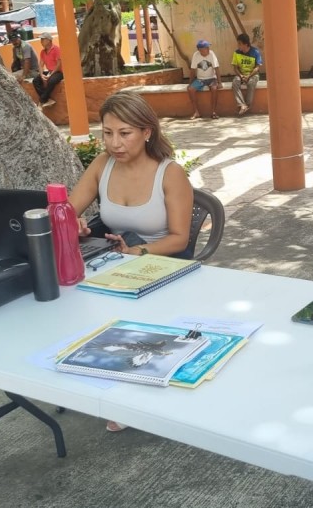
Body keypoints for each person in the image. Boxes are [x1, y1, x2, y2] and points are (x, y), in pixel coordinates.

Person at [69, 91, 193, 433]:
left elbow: (180, 239)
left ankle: (130, 392)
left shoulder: (169, 174)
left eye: (125, 133)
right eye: (107, 133)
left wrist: (136, 253)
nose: (114, 143)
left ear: (146, 132)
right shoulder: (101, 166)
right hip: (114, 262)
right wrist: (72, 222)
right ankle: (102, 375)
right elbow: (67, 210)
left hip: (161, 265)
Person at [187, 40, 222, 120]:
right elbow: (193, 70)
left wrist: (219, 82)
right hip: (200, 79)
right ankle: (196, 112)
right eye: (206, 48)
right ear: (200, 50)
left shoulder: (212, 54)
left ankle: (213, 112)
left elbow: (216, 68)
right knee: (191, 89)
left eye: (208, 47)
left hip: (212, 78)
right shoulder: (196, 55)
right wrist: (190, 83)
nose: (208, 49)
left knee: (214, 88)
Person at [231, 33, 262, 116]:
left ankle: (247, 105)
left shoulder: (255, 52)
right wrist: (241, 76)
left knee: (251, 83)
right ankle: (242, 105)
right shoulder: (236, 53)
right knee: (235, 82)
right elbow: (235, 68)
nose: (238, 46)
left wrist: (249, 76)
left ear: (246, 44)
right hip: (241, 74)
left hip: (252, 74)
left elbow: (257, 68)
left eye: (239, 44)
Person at [32, 32, 64, 109]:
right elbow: (41, 64)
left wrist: (51, 74)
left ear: (49, 40)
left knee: (51, 81)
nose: (41, 41)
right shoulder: (42, 52)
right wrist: (41, 74)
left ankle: (42, 100)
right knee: (35, 80)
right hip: (50, 71)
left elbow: (59, 64)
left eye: (43, 39)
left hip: (59, 72)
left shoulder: (56, 49)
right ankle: (47, 99)